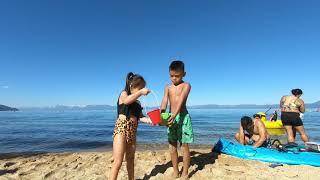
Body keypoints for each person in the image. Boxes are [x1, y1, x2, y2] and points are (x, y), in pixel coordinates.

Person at [109, 72, 152, 180]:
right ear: (131, 86)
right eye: (140, 88)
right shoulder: (124, 94)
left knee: (131, 160)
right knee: (118, 161)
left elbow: (140, 117)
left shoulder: (137, 103)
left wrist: (150, 120)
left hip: (133, 132)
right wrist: (141, 92)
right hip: (121, 129)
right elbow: (127, 101)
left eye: (143, 88)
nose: (142, 91)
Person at [160, 60, 194, 178]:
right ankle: (175, 170)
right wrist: (162, 113)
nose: (174, 78)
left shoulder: (186, 85)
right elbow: (165, 100)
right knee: (172, 145)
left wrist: (174, 115)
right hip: (170, 117)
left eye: (177, 76)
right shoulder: (167, 87)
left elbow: (181, 100)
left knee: (184, 146)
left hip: (183, 117)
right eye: (171, 76)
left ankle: (185, 171)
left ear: (183, 74)